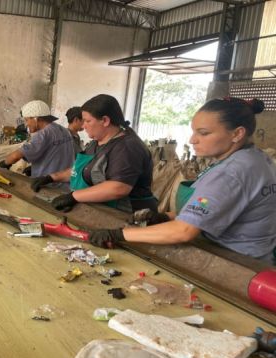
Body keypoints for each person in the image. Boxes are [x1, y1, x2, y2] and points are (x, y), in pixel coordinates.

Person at [89, 97, 276, 265]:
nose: (192, 140)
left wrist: (119, 234)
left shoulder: (231, 172)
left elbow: (184, 231)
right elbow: (220, 208)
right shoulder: (257, 159)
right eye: (194, 131)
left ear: (237, 134)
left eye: (203, 133)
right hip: (257, 258)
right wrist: (165, 217)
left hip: (234, 264)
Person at [31, 94, 156, 212]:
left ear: (105, 120)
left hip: (126, 215)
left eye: (87, 121)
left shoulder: (127, 147)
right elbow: (81, 170)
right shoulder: (97, 142)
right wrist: (51, 177)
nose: (83, 126)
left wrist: (74, 196)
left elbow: (118, 188)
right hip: (101, 210)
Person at [0, 100, 74, 187]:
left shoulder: (43, 134)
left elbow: (15, 156)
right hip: (66, 185)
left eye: (27, 120)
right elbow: (55, 153)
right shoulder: (64, 130)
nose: (26, 124)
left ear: (36, 119)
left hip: (48, 186)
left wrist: (4, 164)